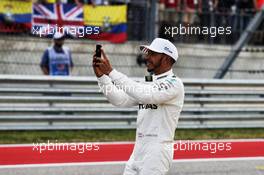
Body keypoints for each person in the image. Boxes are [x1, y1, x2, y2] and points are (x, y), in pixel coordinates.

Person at [93, 38, 185, 175]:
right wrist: (102, 78)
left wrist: (111, 72)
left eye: (153, 54)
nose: (147, 57)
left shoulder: (175, 83)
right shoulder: (148, 82)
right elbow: (120, 100)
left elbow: (146, 96)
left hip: (157, 153)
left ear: (166, 59)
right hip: (138, 150)